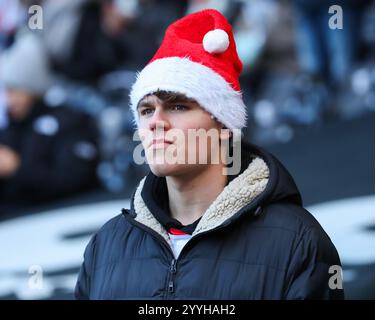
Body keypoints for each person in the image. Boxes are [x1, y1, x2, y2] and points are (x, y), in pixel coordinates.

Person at [75, 9, 344, 300]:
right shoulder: (105, 247)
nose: (156, 122)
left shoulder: (298, 242)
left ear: (225, 126)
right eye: (146, 110)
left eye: (178, 106)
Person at [0, 32, 99, 211]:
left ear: (33, 87)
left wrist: (17, 169)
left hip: (59, 219)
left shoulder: (70, 122)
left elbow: (75, 180)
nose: (10, 100)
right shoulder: (10, 129)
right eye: (7, 90)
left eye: (16, 90)